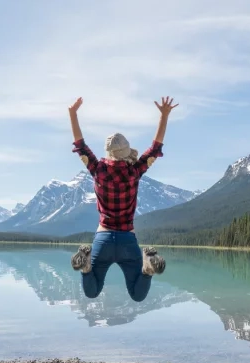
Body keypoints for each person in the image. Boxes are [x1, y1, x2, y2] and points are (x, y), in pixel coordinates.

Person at [68, 95, 178, 302]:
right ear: (126, 151)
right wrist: (164, 115)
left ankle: (85, 267)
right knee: (137, 295)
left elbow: (80, 146)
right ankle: (147, 269)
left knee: (92, 291)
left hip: (103, 239)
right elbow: (155, 148)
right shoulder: (134, 171)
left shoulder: (98, 169)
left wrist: (73, 114)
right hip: (128, 240)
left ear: (108, 153)